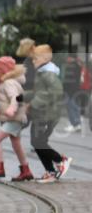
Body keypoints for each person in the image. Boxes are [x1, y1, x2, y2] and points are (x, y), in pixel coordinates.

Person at [0, 56, 33, 181]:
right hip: (15, 118)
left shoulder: (9, 83)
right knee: (16, 144)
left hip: (14, 118)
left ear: (4, 70)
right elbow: (5, 103)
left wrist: (12, 109)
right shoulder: (8, 82)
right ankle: (25, 170)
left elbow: (14, 98)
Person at [28, 45, 72, 182]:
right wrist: (22, 97)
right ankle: (50, 171)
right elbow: (39, 92)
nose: (33, 61)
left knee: (38, 141)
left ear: (46, 58)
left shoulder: (49, 73)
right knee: (37, 142)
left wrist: (33, 103)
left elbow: (56, 92)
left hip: (47, 115)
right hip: (41, 114)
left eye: (36, 58)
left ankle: (60, 160)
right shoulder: (42, 72)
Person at [61, 53, 84, 134]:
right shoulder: (78, 66)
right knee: (75, 107)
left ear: (71, 58)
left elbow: (68, 80)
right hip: (76, 89)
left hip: (69, 90)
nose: (67, 59)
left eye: (68, 57)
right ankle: (78, 125)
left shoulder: (71, 67)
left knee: (70, 107)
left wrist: (63, 89)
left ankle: (74, 124)